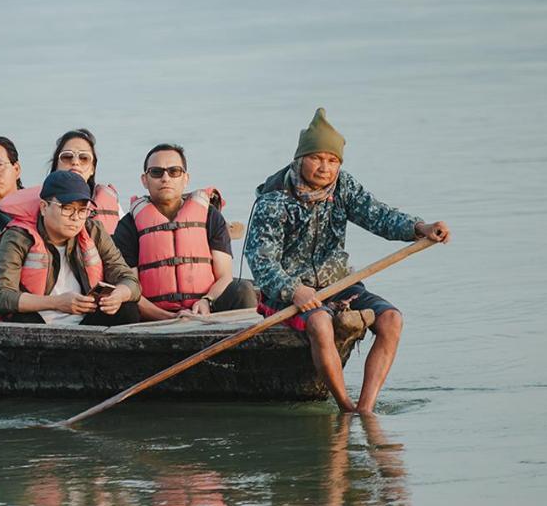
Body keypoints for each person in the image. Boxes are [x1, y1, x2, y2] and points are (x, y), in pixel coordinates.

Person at [244, 108, 450, 413]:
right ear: (300, 159)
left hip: (339, 285)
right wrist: (293, 290)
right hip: (289, 294)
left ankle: (365, 409)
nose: (325, 167)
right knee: (321, 322)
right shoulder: (274, 200)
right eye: (316, 158)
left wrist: (419, 228)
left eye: (333, 160)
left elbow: (378, 215)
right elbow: (260, 260)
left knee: (392, 320)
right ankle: (345, 407)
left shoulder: (343, 187)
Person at [0, 170, 141, 325]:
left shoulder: (93, 230)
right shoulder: (18, 236)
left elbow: (129, 280)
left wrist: (119, 294)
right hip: (39, 325)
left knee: (128, 309)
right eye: (67, 208)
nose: (75, 217)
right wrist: (55, 303)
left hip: (85, 323)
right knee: (24, 321)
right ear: (44, 207)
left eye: (82, 210)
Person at [112, 144, 258, 321]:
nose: (165, 178)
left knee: (242, 288)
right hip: (154, 316)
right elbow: (130, 287)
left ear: (186, 178)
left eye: (174, 171)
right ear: (144, 179)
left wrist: (207, 301)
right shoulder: (128, 225)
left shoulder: (210, 216)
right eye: (156, 172)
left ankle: (244, 345)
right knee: (124, 304)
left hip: (208, 308)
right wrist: (169, 317)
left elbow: (225, 276)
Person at [48, 128, 120, 233]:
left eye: (84, 158)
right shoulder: (39, 204)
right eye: (67, 157)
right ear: (56, 166)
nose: (75, 162)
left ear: (92, 169)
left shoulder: (113, 205)